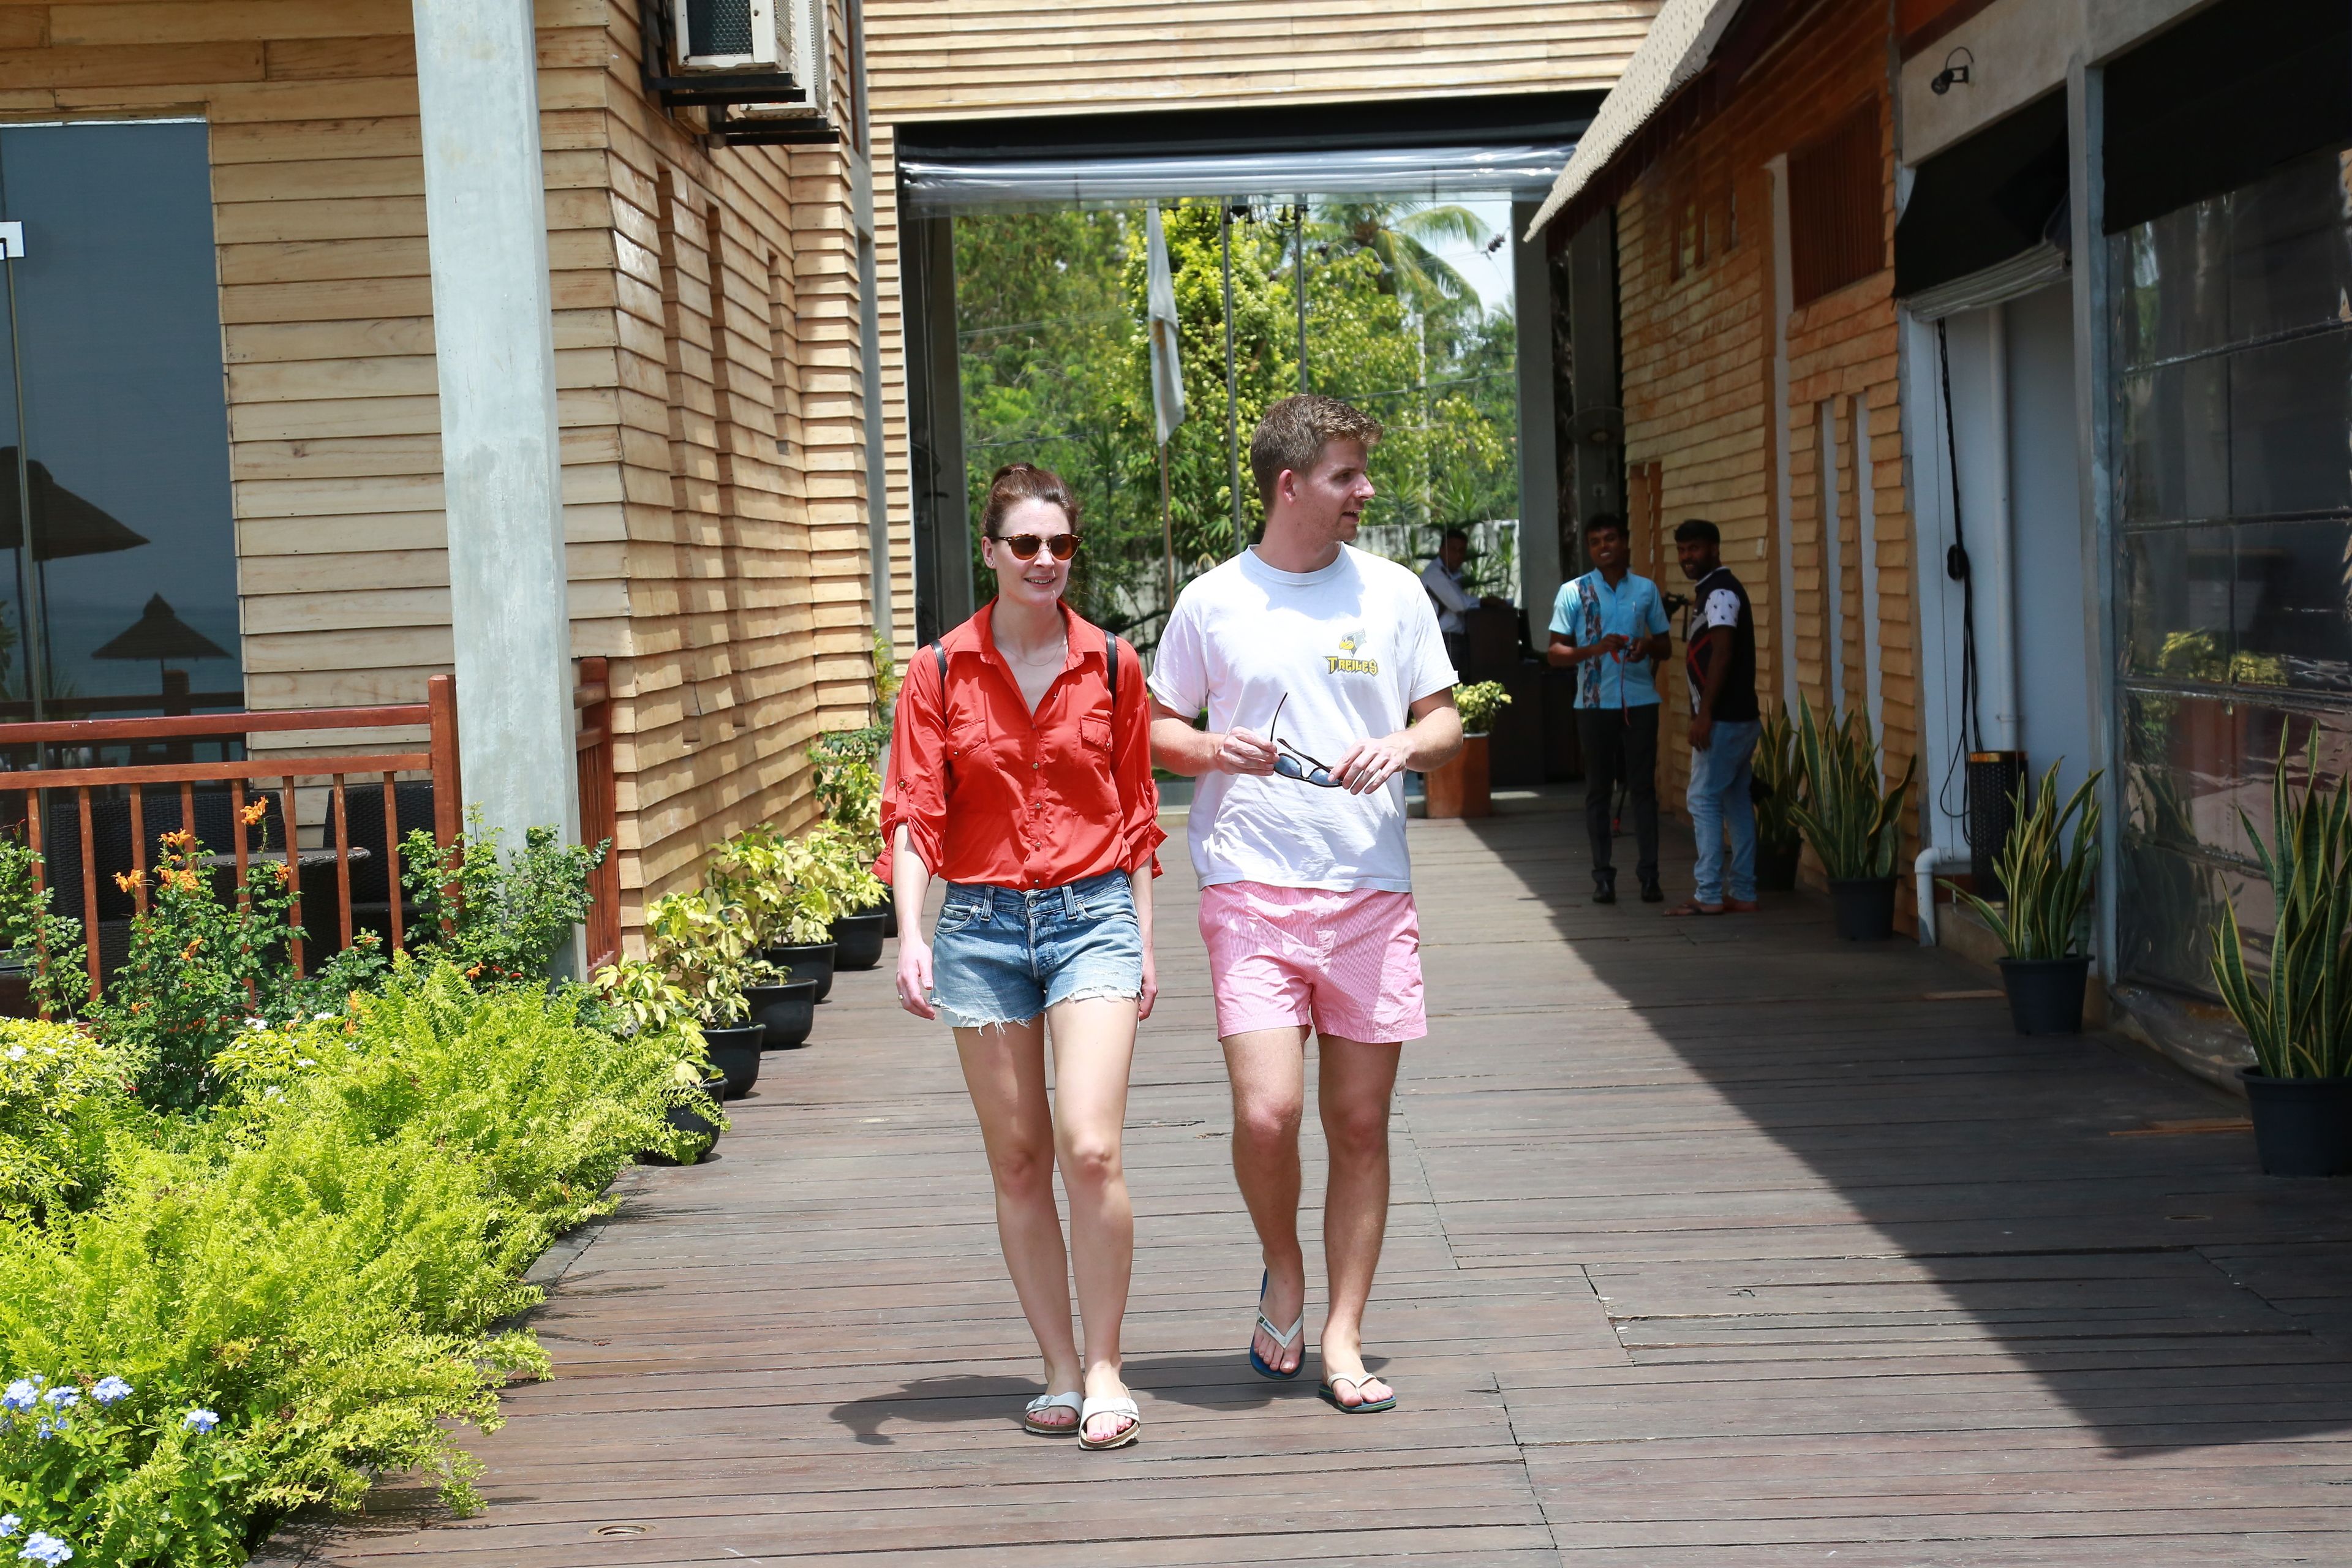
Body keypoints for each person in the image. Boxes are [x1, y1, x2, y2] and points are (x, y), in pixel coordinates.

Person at [1149, 393, 1463, 1415]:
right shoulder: (1213, 601)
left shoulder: (1394, 594)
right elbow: (1157, 726)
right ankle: (1283, 1267)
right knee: (1268, 1112)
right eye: (1345, 475)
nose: (1365, 490)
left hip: (1368, 889)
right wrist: (1211, 748)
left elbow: (1445, 721)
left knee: (1360, 1124)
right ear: (1290, 487)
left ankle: (1342, 1333)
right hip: (1250, 886)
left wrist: (1405, 745)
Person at [881, 462, 1163, 1451]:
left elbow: (1137, 813)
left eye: (1061, 544)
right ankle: (1057, 1366)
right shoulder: (940, 671)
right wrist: (912, 935)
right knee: (1017, 1159)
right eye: (1027, 544)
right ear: (992, 552)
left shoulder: (1115, 665)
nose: (1046, 560)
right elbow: (915, 814)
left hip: (1093, 918)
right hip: (982, 928)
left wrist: (1144, 940)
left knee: (1090, 1147)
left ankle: (1106, 1367)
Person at [1547, 514, 1671, 904]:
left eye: (1611, 538)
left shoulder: (1646, 590)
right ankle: (1603, 877)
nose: (1604, 546)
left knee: (1643, 789)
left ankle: (1650, 876)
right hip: (1594, 703)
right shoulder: (1574, 592)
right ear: (1589, 548)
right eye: (1596, 541)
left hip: (1640, 701)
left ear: (1625, 542)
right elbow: (1555, 653)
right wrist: (1595, 649)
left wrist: (1646, 647)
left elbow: (1666, 646)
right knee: (1598, 790)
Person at [1670, 518, 1763, 916]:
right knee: (1736, 801)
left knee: (1703, 799)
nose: (1687, 557)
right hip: (1739, 717)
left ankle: (1708, 894)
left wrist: (1705, 714)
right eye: (1682, 550)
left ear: (1714, 549)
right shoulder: (1711, 590)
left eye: (1694, 548)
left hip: (1724, 719)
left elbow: (1722, 654)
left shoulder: (1721, 592)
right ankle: (1743, 892)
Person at [1419, 526, 1512, 675]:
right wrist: (1484, 601)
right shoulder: (1434, 574)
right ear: (1441, 550)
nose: (1457, 555)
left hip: (1453, 638)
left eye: (1461, 550)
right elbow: (1459, 604)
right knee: (1450, 683)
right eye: (1453, 549)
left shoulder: (1449, 572)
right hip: (1444, 638)